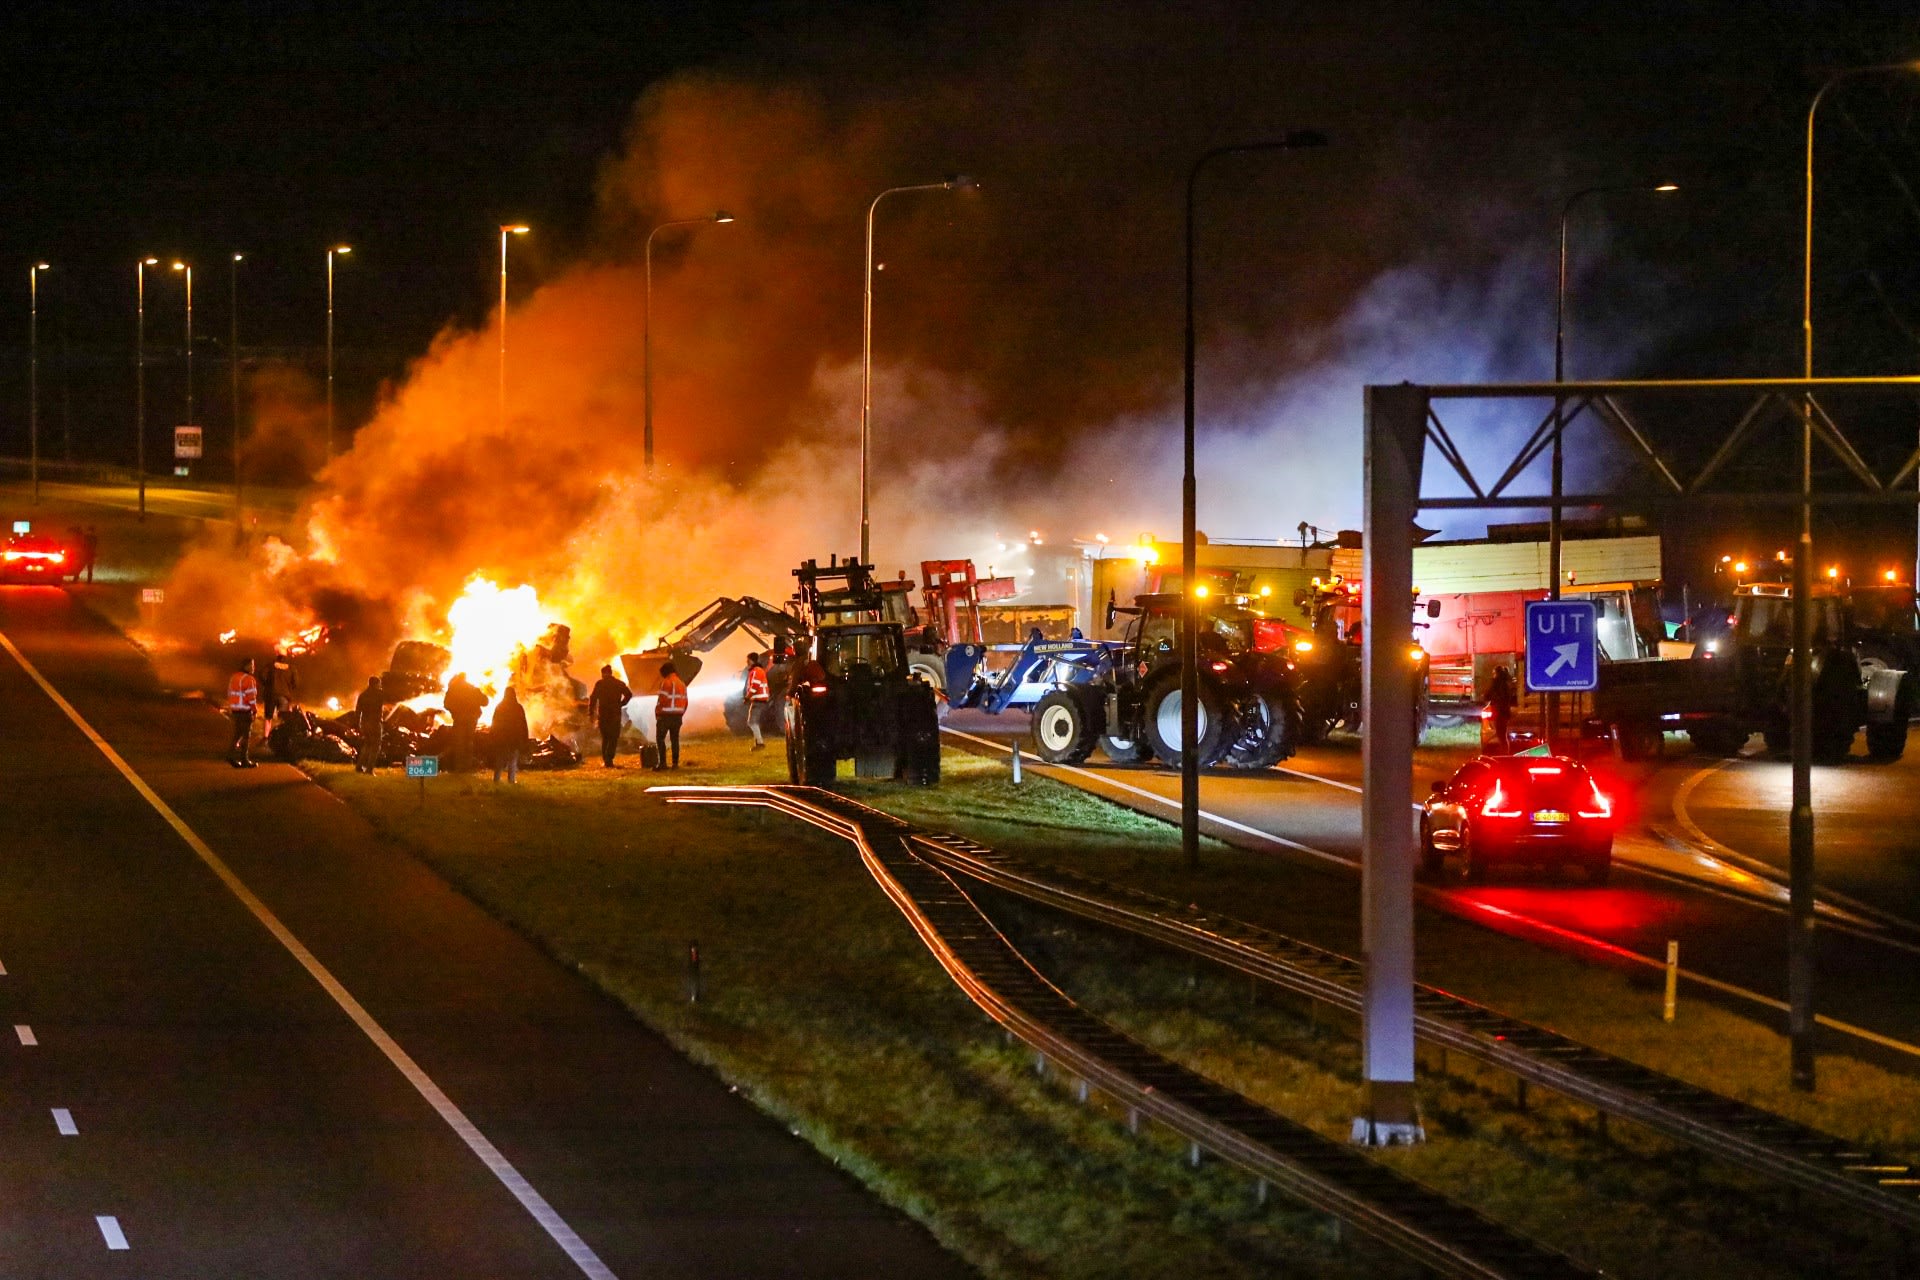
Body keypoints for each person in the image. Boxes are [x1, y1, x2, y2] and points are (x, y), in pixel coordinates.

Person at [588, 664, 632, 767]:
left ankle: (606, 760)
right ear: (611, 673)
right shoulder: (619, 683)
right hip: (615, 715)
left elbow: (593, 698)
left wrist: (591, 713)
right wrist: (621, 704)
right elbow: (629, 694)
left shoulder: (599, 684)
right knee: (613, 738)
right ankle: (609, 759)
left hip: (603, 715)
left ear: (603, 674)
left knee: (605, 738)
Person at [443, 673, 488, 771]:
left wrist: (454, 710)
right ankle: (467, 766)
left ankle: (459, 767)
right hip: (472, 719)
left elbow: (446, 704)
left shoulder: (453, 689)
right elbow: (485, 702)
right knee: (469, 742)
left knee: (459, 743)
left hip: (459, 718)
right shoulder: (472, 689)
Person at [490, 686, 530, 784]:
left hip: (502, 738)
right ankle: (511, 780)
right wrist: (525, 737)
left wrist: (493, 735)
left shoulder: (500, 707)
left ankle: (496, 779)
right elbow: (523, 724)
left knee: (500, 759)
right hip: (514, 738)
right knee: (512, 759)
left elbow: (494, 722)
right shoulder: (518, 707)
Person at [654, 660, 688, 771]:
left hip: (665, 716)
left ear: (666, 672)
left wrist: (657, 712)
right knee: (675, 740)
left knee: (660, 739)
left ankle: (662, 763)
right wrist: (681, 713)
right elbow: (685, 701)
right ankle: (675, 764)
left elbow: (662, 700)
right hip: (678, 716)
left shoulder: (666, 682)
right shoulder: (682, 684)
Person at [226, 657, 260, 768]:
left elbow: (230, 693)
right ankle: (244, 759)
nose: (253, 668)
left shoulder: (234, 677)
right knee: (246, 735)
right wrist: (254, 709)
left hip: (235, 710)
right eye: (252, 665)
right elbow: (251, 697)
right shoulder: (249, 679)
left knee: (238, 734)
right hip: (245, 710)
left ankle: (231, 755)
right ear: (246, 666)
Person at [355, 676, 385, 774]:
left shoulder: (363, 695)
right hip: (375, 723)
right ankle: (369, 770)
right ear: (375, 684)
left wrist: (358, 724)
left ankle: (359, 767)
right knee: (375, 746)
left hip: (364, 723)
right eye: (379, 684)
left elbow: (358, 711)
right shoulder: (379, 694)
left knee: (367, 745)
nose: (380, 686)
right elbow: (390, 698)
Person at [1485, 664, 1517, 755]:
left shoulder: (1497, 684)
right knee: (1502, 735)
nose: (1493, 675)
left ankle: (1504, 754)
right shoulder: (1507, 683)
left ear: (1497, 674)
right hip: (1504, 713)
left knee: (1501, 735)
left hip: (1499, 713)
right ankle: (1505, 752)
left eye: (1494, 673)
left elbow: (1488, 695)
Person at [743, 652, 771, 750]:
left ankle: (760, 743)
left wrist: (747, 697)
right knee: (753, 722)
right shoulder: (757, 670)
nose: (746, 662)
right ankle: (757, 743)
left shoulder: (756, 671)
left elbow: (754, 686)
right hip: (758, 700)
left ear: (751, 660)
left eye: (748, 659)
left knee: (752, 722)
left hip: (758, 700)